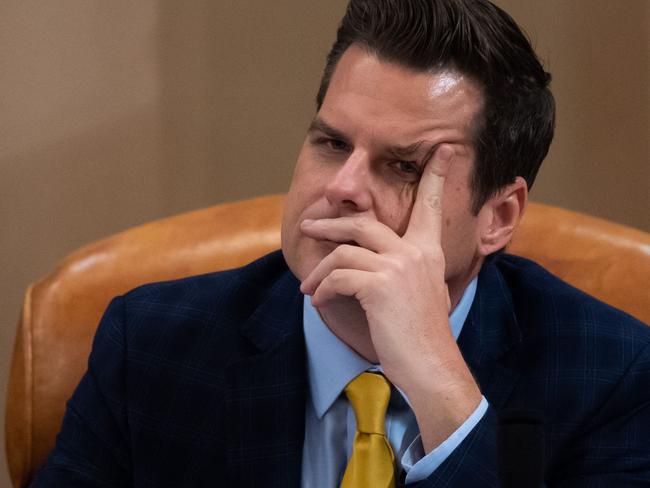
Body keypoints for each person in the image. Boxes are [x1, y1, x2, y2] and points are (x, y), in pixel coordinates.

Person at [34, 0, 650, 486]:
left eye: (404, 166)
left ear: (498, 214)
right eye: (331, 144)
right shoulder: (149, 345)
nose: (343, 187)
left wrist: (441, 385)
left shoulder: (608, 375)